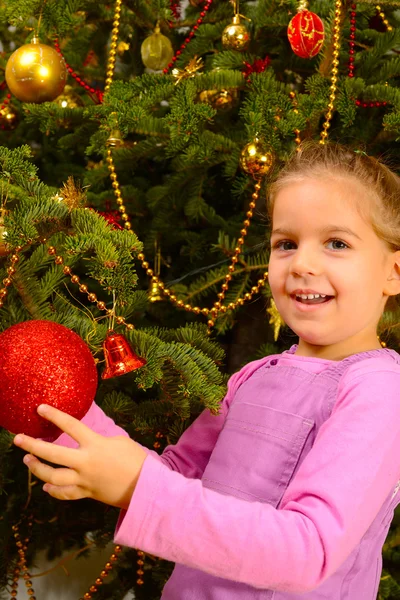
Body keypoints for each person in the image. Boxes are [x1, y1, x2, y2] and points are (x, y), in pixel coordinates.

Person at [13, 141, 400, 599]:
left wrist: (138, 487)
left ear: (393, 272)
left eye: (337, 243)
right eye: (286, 244)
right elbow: (174, 478)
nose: (302, 264)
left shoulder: (380, 392)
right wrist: (66, 411)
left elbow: (308, 550)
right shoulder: (254, 376)